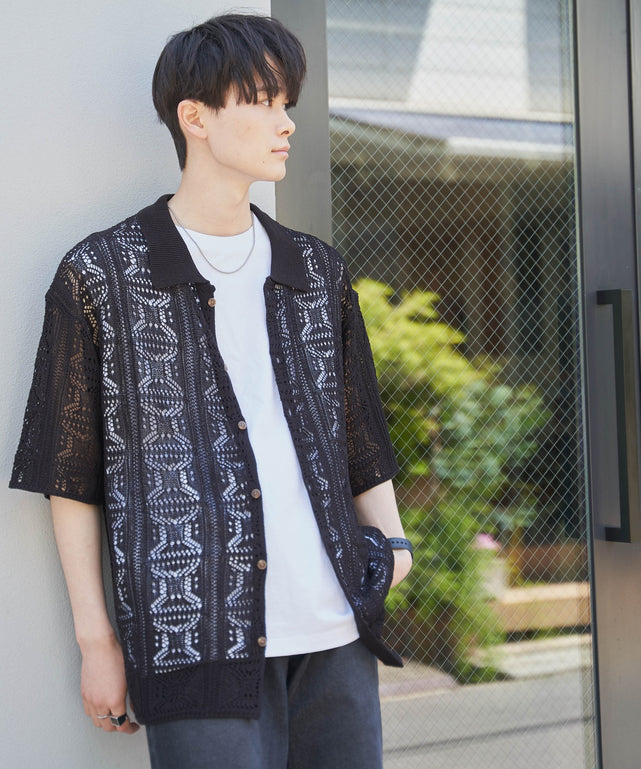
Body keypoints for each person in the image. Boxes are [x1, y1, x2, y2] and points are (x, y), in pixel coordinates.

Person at [10, 13, 412, 769]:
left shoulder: (315, 271)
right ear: (194, 118)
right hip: (192, 643)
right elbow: (70, 475)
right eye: (262, 101)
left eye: (287, 102)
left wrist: (393, 547)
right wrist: (97, 642)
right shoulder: (103, 276)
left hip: (334, 634)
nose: (285, 123)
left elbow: (358, 435)